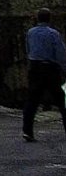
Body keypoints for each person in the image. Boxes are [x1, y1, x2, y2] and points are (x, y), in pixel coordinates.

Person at [22, 8, 66, 142]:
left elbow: (28, 49)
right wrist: (63, 68)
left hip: (35, 67)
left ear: (37, 18)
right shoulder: (53, 34)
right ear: (49, 18)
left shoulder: (31, 33)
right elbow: (60, 53)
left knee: (32, 100)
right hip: (50, 68)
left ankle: (27, 131)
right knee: (62, 100)